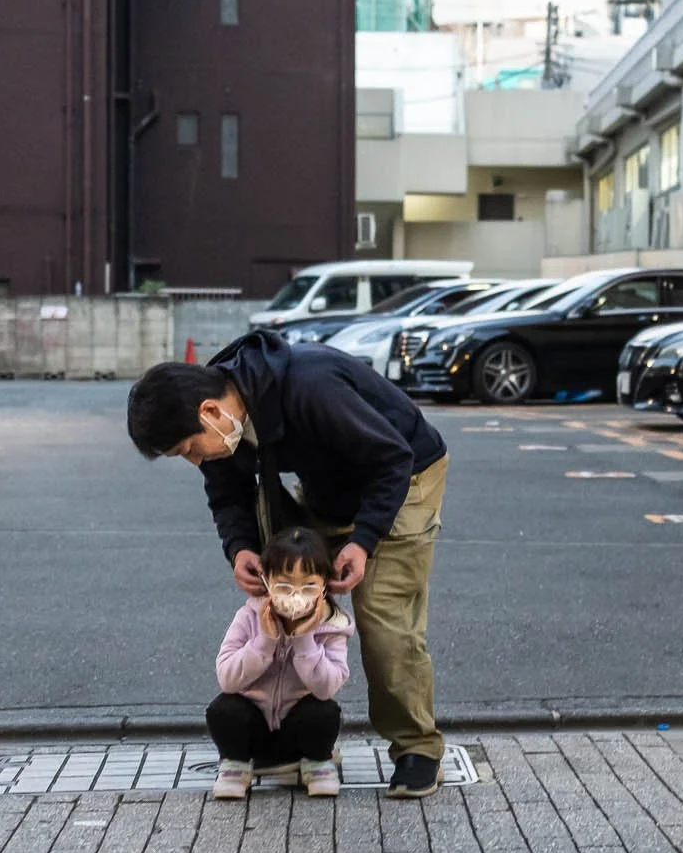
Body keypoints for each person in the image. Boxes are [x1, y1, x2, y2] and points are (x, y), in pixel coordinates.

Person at [128, 331, 450, 799]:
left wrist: (362, 540)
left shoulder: (311, 387)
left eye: (189, 449)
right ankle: (301, 738)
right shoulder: (224, 425)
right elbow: (227, 494)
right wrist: (241, 548)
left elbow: (391, 458)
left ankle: (416, 747)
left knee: (383, 614)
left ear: (209, 411)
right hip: (331, 483)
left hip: (403, 475)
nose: (195, 460)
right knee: (286, 594)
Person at [207, 527, 352, 800]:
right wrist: (264, 641)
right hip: (254, 733)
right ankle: (235, 765)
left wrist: (304, 638)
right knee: (223, 710)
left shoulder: (333, 625)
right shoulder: (248, 616)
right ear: (267, 581)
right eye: (284, 585)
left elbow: (327, 688)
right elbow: (227, 678)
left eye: (308, 585)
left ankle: (316, 763)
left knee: (324, 712)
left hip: (298, 733)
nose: (296, 595)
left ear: (324, 585)